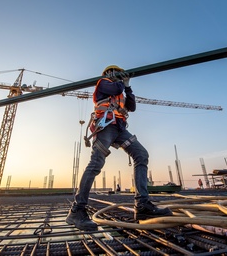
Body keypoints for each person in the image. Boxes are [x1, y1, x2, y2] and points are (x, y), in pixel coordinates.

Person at [66, 65, 172, 230]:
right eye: (115, 72)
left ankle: (142, 205)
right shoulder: (103, 83)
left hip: (120, 129)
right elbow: (115, 86)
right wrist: (121, 81)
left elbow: (132, 106)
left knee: (141, 154)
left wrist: (128, 87)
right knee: (96, 164)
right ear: (109, 73)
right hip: (106, 127)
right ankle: (77, 210)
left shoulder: (121, 90)